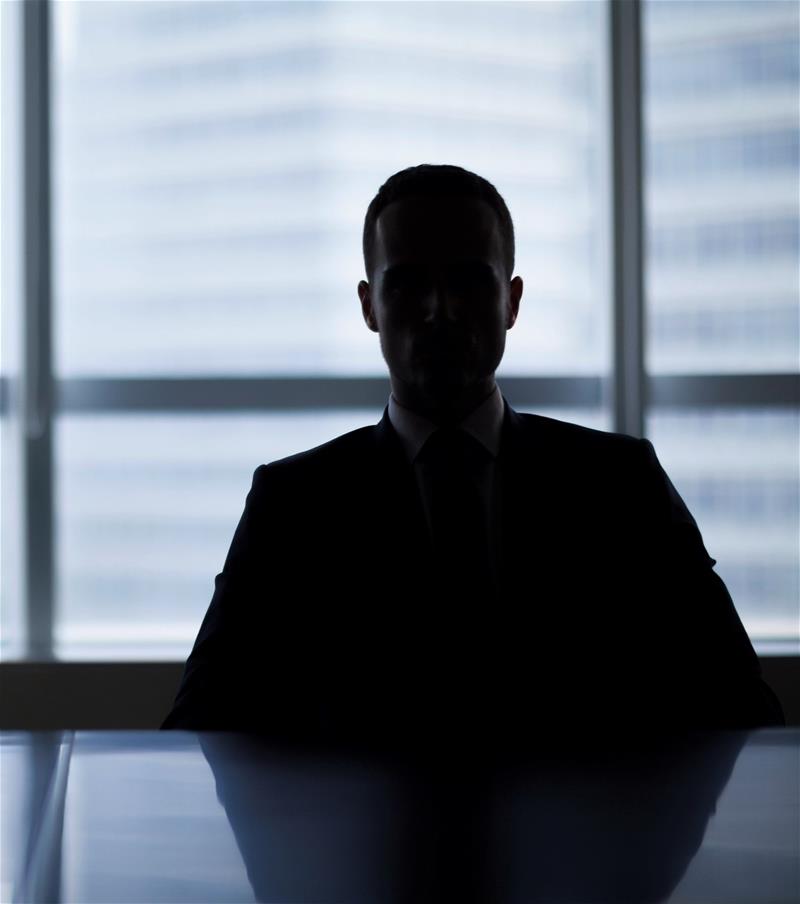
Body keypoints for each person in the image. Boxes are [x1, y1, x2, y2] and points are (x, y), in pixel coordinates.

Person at [162, 164, 784, 745]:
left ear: (512, 302)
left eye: (466, 280)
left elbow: (741, 705)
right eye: (408, 283)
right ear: (368, 306)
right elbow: (199, 725)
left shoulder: (621, 485)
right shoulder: (293, 506)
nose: (440, 311)